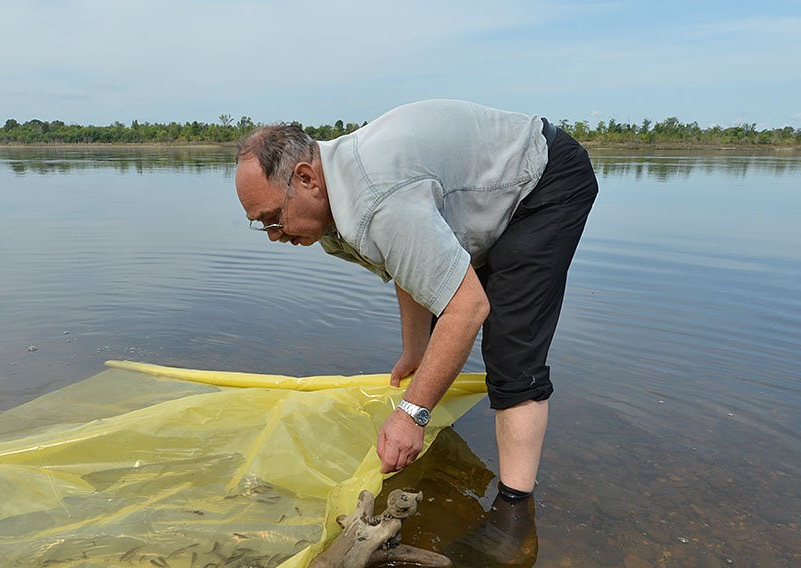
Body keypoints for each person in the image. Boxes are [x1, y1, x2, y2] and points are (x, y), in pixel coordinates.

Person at [234, 99, 597, 519]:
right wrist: (416, 350)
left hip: (542, 179)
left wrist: (411, 413)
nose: (273, 235)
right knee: (442, 338)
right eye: (261, 224)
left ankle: (513, 515)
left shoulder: (377, 200)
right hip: (479, 197)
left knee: (510, 350)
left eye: (273, 218)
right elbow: (409, 265)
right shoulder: (331, 204)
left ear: (305, 178)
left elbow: (467, 308)